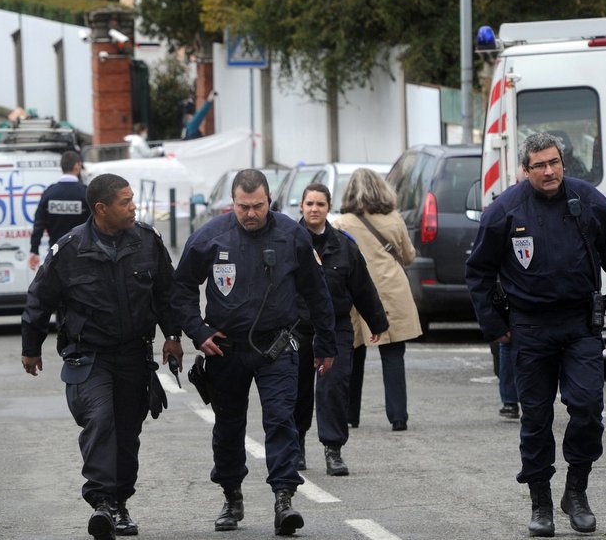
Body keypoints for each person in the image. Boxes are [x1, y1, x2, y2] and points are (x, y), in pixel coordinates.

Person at [466, 132, 606, 537]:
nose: (549, 171)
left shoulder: (589, 202)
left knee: (586, 407)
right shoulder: (505, 210)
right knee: (536, 418)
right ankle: (541, 502)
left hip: (581, 325)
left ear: (563, 162)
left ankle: (576, 492)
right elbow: (478, 273)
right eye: (539, 165)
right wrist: (496, 327)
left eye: (554, 163)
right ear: (525, 170)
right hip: (529, 329)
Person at [172, 168, 335, 536]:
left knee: (281, 420)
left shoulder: (292, 235)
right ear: (233, 203)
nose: (251, 213)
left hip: (276, 345)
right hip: (225, 348)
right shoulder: (209, 237)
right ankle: (231, 496)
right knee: (229, 427)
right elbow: (179, 289)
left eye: (258, 206)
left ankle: (284, 499)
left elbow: (316, 291)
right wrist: (198, 333)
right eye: (244, 206)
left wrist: (326, 343)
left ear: (269, 201)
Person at [22, 173, 184, 540]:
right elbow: (38, 298)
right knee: (101, 418)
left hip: (134, 355)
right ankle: (101, 503)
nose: (133, 207)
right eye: (125, 202)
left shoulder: (147, 241)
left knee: (127, 432)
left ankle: (119, 503)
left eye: (133, 200)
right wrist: (30, 348)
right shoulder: (69, 250)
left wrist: (173, 336)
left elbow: (166, 293)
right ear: (101, 209)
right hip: (89, 356)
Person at [294, 183, 389, 477]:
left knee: (333, 387)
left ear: (328, 208)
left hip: (335, 327)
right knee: (296, 389)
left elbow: (361, 286)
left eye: (320, 204)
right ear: (301, 206)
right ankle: (295, 445)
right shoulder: (288, 242)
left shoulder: (344, 245)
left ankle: (333, 449)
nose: (314, 209)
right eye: (309, 204)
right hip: (297, 328)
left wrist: (377, 322)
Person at [333, 167, 422, 432]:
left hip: (356, 295)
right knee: (393, 354)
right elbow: (408, 256)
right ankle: (398, 417)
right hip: (392, 292)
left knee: (353, 354)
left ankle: (350, 415)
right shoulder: (394, 219)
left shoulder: (342, 223)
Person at [28, 151, 89, 270]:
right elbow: (96, 224)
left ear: (62, 167)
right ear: (77, 166)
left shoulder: (49, 193)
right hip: (82, 255)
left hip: (57, 255)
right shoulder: (85, 193)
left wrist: (34, 250)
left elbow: (39, 224)